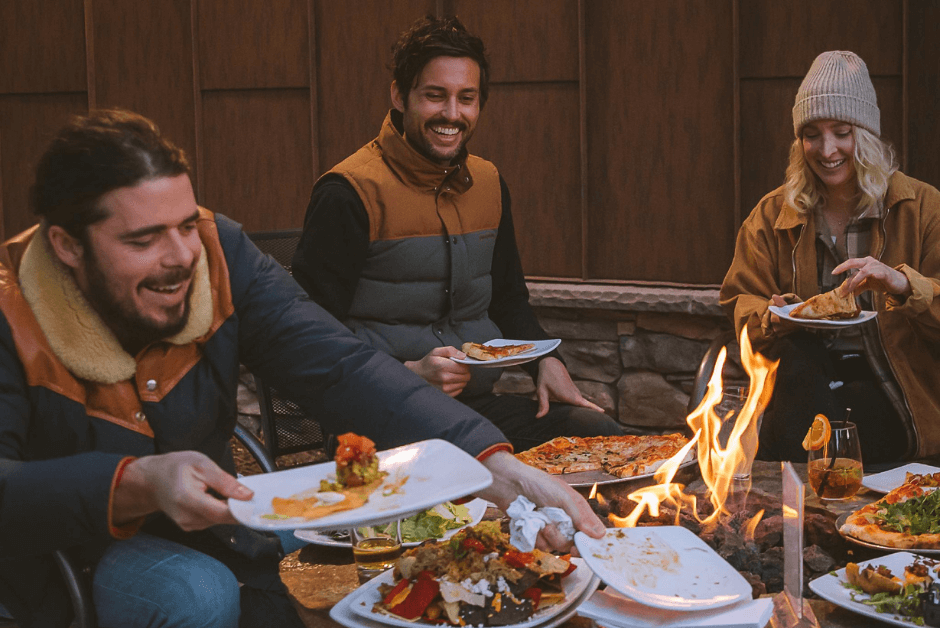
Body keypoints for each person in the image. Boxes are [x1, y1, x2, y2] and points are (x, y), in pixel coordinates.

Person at [0, 109, 607, 628]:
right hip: (67, 551)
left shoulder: (221, 251)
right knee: (197, 592)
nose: (183, 256)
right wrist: (133, 483)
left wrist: (493, 469)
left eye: (186, 225)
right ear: (67, 247)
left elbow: (338, 364)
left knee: (419, 523)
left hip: (219, 516)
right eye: (143, 240)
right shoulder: (9, 312)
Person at [292, 15, 628, 453]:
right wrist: (409, 372)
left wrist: (547, 362)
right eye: (435, 96)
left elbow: (508, 299)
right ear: (399, 95)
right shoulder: (349, 193)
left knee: (611, 442)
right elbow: (310, 338)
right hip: (381, 423)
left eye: (466, 98)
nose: (452, 114)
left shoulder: (488, 182)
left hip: (475, 413)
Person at [720, 51, 940, 464]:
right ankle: (801, 513)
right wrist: (771, 316)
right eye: (812, 134)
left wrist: (903, 285)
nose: (827, 149)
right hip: (804, 386)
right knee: (799, 357)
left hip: (898, 391)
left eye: (842, 132)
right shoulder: (772, 215)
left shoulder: (923, 208)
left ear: (867, 134)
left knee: (858, 415)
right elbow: (741, 301)